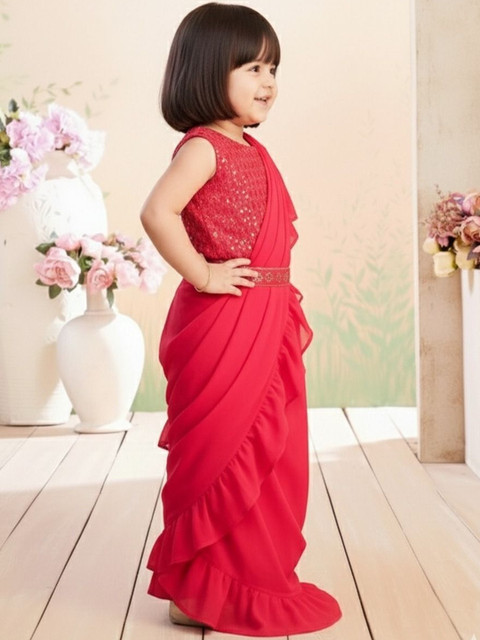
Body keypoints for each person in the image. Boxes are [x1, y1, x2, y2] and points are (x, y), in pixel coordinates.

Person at [140, 2, 342, 635]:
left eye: (273, 68)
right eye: (252, 67)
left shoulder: (250, 148)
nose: (268, 82)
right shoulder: (205, 148)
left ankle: (249, 574)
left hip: (266, 316)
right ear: (206, 69)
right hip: (223, 322)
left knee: (272, 453)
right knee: (217, 453)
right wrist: (203, 275)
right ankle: (198, 588)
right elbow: (157, 212)